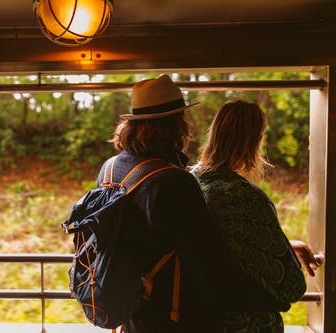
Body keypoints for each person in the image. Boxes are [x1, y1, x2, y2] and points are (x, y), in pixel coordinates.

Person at [95, 75, 260, 333]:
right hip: (172, 319)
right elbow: (210, 261)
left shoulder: (110, 169)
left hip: (128, 313)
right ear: (176, 125)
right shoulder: (174, 182)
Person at [192, 100, 314, 332]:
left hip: (205, 318)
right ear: (254, 141)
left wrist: (285, 246)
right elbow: (292, 286)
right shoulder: (246, 197)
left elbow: (224, 246)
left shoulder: (193, 184)